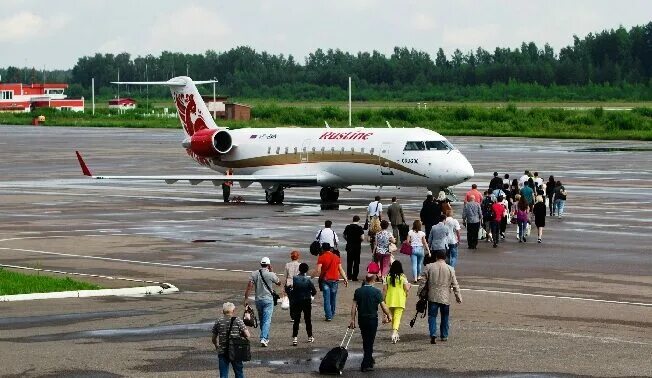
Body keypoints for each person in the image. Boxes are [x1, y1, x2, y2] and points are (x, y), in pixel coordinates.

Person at [349, 262, 392, 372]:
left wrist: (352, 320)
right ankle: (365, 363)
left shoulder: (358, 291)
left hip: (362, 318)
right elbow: (383, 306)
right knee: (370, 341)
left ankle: (369, 359)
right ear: (373, 280)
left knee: (365, 339)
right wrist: (389, 315)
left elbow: (354, 307)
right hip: (372, 319)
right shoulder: (377, 292)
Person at [423, 250, 462, 344]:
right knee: (445, 316)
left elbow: (423, 283)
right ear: (445, 258)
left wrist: (421, 293)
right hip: (445, 297)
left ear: (436, 257)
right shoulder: (450, 269)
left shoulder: (429, 267)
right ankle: (444, 335)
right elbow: (455, 284)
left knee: (432, 316)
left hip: (432, 295)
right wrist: (458, 296)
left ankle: (433, 333)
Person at [244, 257, 281, 347]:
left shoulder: (254, 274)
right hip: (268, 300)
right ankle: (263, 338)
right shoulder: (271, 274)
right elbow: (279, 282)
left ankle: (265, 337)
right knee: (267, 320)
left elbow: (249, 286)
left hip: (258, 300)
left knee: (262, 320)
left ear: (261, 264)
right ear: (268, 265)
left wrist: (246, 298)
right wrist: (272, 271)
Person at [212, 302, 251, 378]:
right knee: (239, 372)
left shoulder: (218, 321)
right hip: (236, 350)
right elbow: (248, 335)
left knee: (223, 375)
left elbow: (213, 338)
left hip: (222, 351)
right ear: (233, 311)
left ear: (223, 311)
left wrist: (216, 346)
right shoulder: (238, 320)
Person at [316, 243, 348, 321]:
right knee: (333, 298)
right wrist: (345, 278)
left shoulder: (321, 257)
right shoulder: (336, 257)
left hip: (325, 280)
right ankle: (332, 313)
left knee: (326, 299)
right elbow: (340, 269)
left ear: (322, 249)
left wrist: (314, 275)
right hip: (334, 280)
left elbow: (318, 270)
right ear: (330, 249)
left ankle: (328, 316)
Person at [382, 260, 411, 344]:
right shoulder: (402, 277)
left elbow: (384, 290)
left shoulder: (387, 277)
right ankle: (394, 332)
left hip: (389, 299)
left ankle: (395, 334)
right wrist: (409, 286)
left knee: (393, 317)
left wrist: (383, 300)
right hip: (400, 299)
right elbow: (406, 288)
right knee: (397, 317)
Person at [291, 262, 316, 346]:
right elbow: (314, 291)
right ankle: (310, 336)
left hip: (297, 301)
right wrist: (311, 295)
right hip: (306, 301)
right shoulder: (308, 280)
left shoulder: (295, 278)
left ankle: (295, 338)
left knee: (296, 320)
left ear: (299, 269)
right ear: (307, 270)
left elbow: (292, 288)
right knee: (307, 319)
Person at [343, 215, 365, 281]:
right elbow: (362, 238)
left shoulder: (348, 227)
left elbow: (344, 235)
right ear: (358, 220)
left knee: (349, 262)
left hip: (349, 246)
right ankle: (355, 277)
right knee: (356, 262)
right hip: (357, 247)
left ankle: (349, 276)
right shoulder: (359, 228)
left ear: (353, 220)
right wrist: (360, 241)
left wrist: (348, 240)